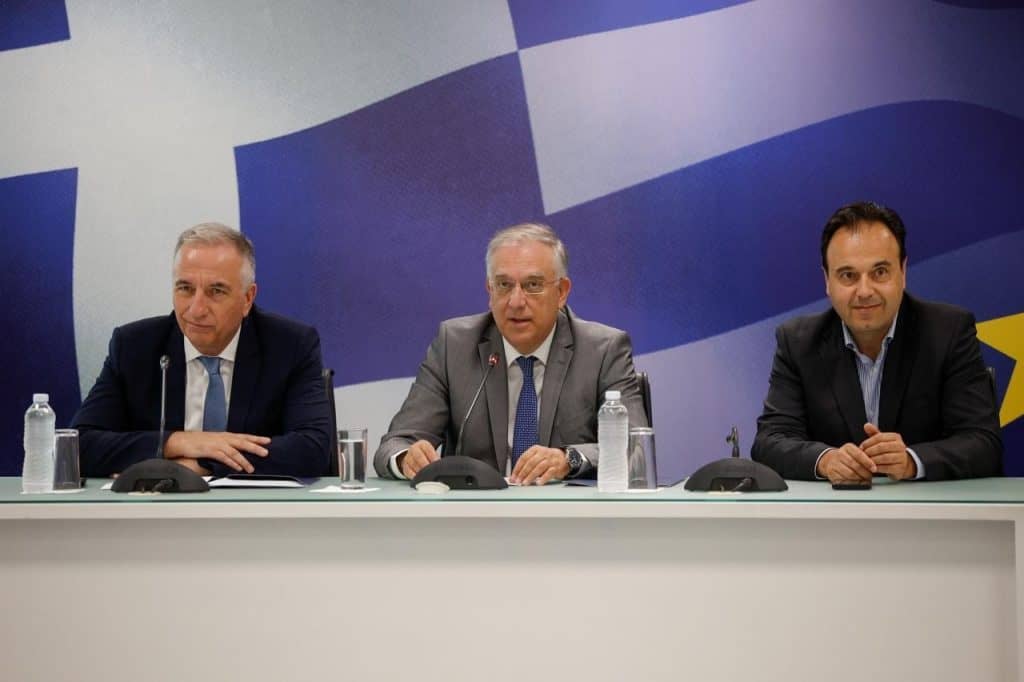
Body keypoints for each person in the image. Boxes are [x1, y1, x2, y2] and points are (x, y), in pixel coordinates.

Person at [374, 222, 647, 485]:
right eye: (504, 285)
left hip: (569, 514)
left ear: (562, 292)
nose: (516, 302)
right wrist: (406, 459)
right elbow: (394, 445)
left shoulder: (602, 350)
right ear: (489, 290)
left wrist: (570, 459)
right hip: (476, 513)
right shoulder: (454, 346)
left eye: (533, 285)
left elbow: (636, 449)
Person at [751, 202, 1002, 482]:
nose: (864, 291)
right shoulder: (798, 342)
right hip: (835, 509)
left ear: (902, 272)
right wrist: (826, 460)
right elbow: (769, 442)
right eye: (848, 276)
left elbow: (983, 443)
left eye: (880, 272)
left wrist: (911, 461)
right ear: (827, 281)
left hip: (928, 508)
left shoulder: (949, 332)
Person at [72, 223, 331, 477]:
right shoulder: (134, 346)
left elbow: (313, 449)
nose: (196, 309)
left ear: (247, 298)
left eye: (216, 291)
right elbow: (77, 445)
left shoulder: (290, 346)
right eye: (185, 288)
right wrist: (177, 442)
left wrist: (204, 465)